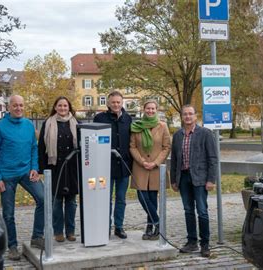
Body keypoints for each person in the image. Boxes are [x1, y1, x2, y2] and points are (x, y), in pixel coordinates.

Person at [0, 95, 45, 261]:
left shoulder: (28, 124)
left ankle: (37, 237)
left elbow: (34, 148)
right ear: (9, 107)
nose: (18, 108)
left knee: (43, 199)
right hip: (6, 176)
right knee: (8, 214)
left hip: (27, 172)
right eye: (15, 105)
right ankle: (12, 246)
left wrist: (35, 167)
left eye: (21, 105)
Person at [170, 105, 218, 258]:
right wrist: (173, 180)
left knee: (202, 211)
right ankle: (192, 242)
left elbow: (213, 158)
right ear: (182, 117)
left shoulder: (205, 133)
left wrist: (211, 179)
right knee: (188, 210)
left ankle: (205, 244)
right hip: (183, 178)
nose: (188, 117)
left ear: (195, 116)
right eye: (185, 114)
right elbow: (174, 160)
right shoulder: (177, 135)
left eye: (191, 114)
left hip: (200, 178)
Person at [38, 96, 79, 243]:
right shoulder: (48, 123)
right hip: (54, 167)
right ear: (55, 107)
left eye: (65, 106)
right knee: (56, 202)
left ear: (69, 108)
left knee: (71, 202)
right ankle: (58, 232)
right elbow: (41, 147)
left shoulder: (76, 123)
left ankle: (71, 231)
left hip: (72, 168)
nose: (62, 108)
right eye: (60, 106)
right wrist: (42, 169)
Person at [93, 90, 132, 239]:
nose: (116, 105)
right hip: (105, 167)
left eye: (118, 102)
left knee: (121, 198)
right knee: (105, 199)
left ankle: (119, 226)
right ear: (108, 103)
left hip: (123, 166)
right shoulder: (100, 118)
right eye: (113, 102)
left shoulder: (128, 119)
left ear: (122, 103)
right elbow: (94, 139)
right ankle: (105, 227)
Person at [130, 100, 170, 240]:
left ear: (157, 110)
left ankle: (150, 227)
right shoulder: (136, 126)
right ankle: (158, 222)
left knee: (152, 198)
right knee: (142, 196)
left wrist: (155, 162)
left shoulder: (163, 126)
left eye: (153, 109)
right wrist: (142, 161)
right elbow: (132, 146)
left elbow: (166, 147)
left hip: (156, 167)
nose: (150, 111)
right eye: (148, 108)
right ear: (144, 109)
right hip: (140, 167)